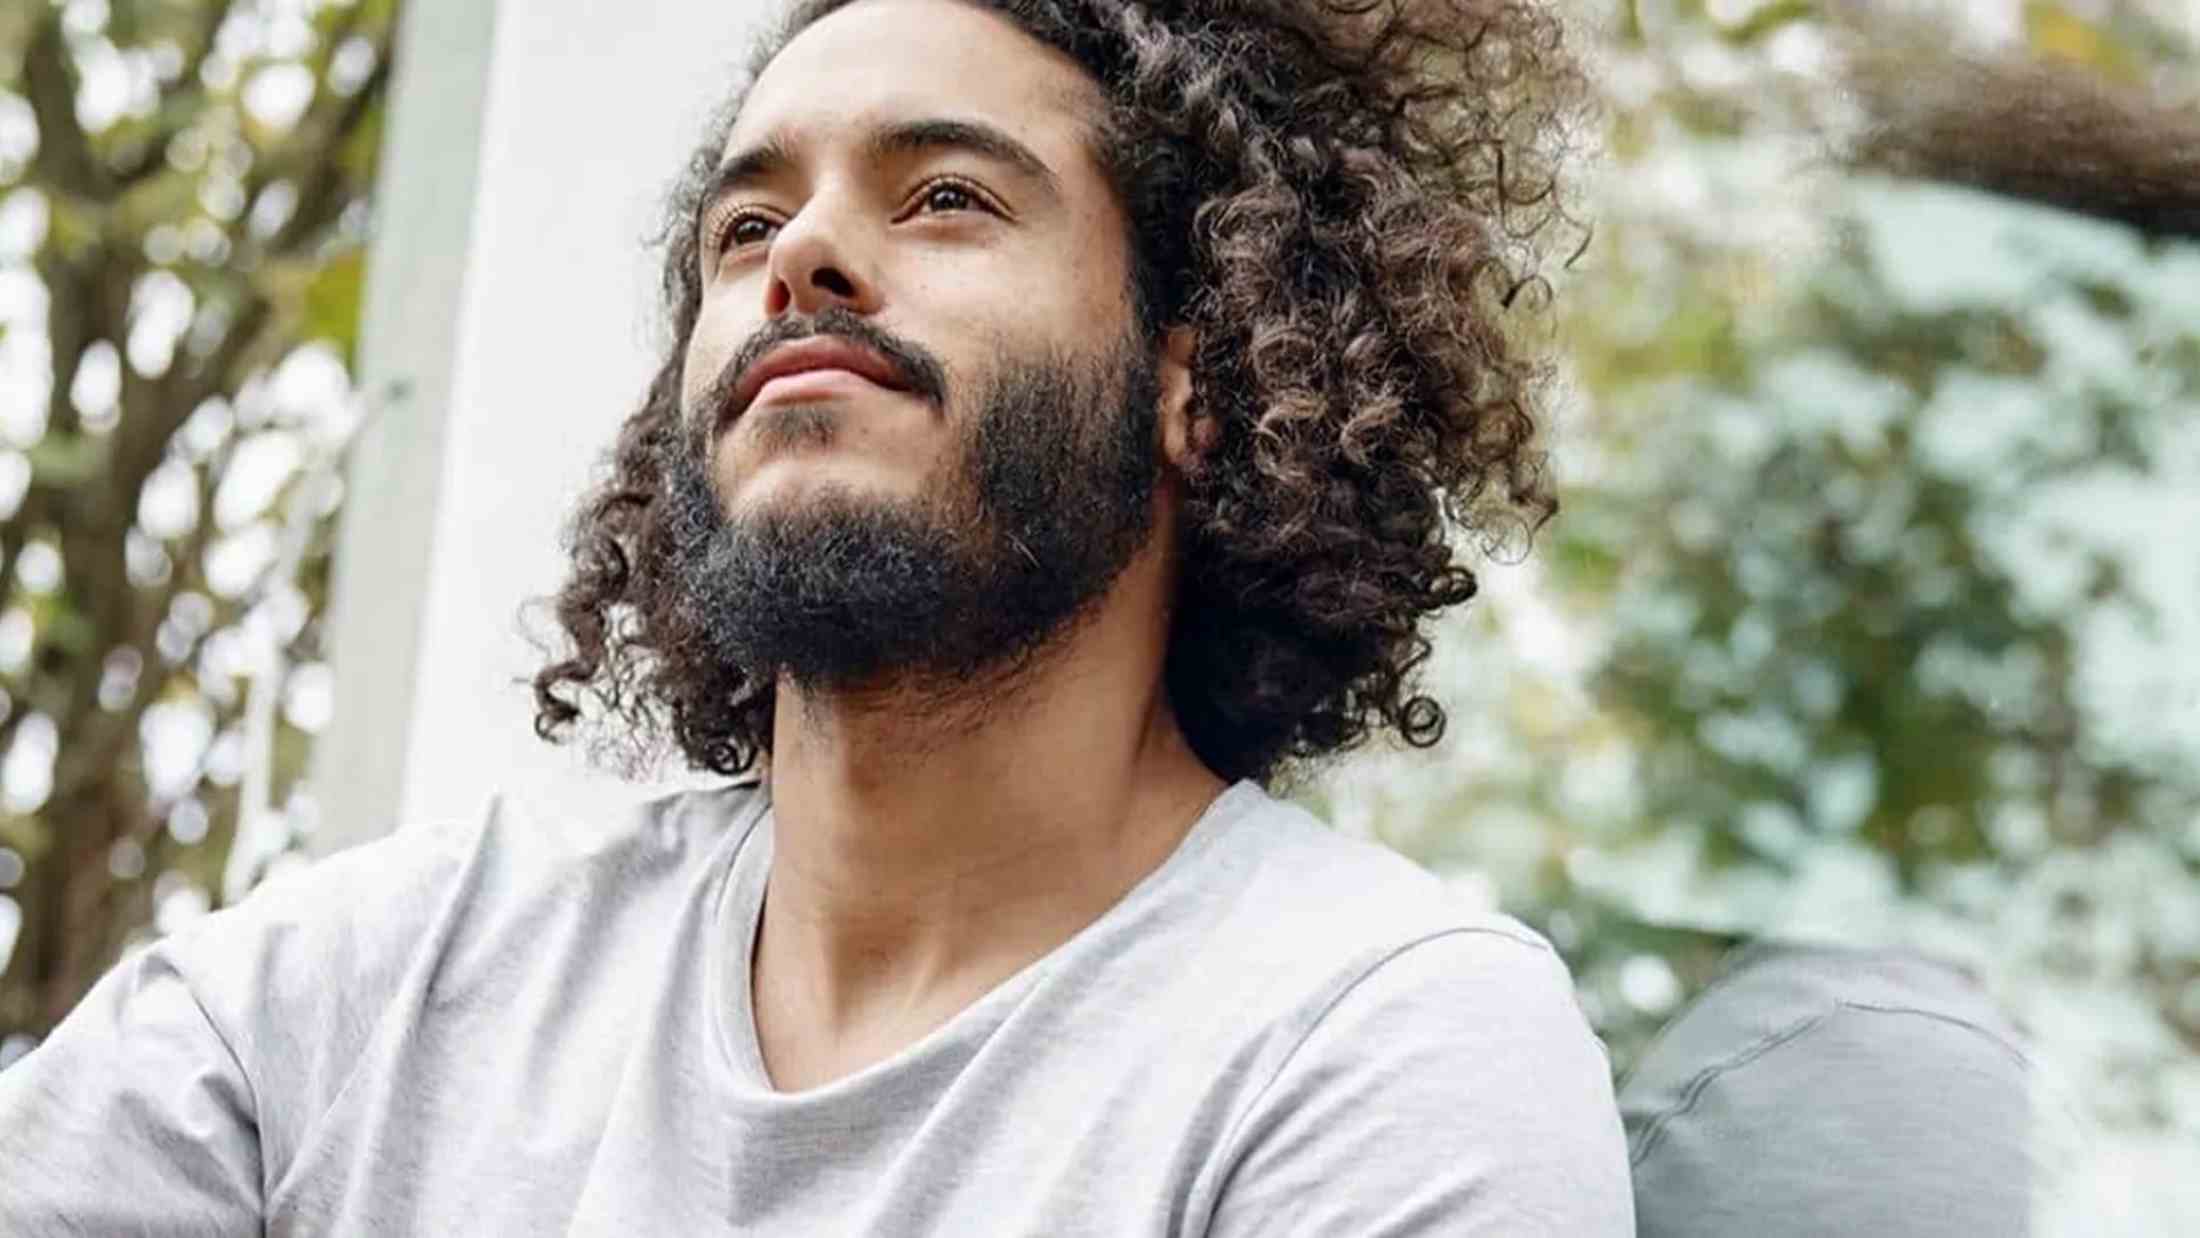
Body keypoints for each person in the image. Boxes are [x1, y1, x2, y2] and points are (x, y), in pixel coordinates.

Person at [0, 0, 1629, 1231]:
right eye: (744, 227)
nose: (806, 256)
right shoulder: (375, 983)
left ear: (1194, 383)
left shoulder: (1380, 1042)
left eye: (945, 197)